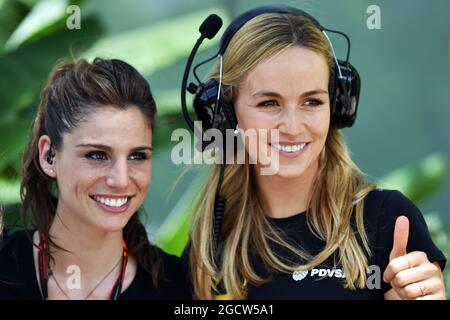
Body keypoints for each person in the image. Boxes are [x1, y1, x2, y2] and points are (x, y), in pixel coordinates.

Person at [184, 5, 447, 300]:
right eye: (269, 103)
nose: (293, 127)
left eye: (312, 102)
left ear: (337, 106)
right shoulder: (211, 241)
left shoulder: (387, 220)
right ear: (224, 114)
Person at [0, 58, 190, 300]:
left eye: (137, 156)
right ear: (49, 156)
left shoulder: (178, 288)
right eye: (97, 155)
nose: (121, 180)